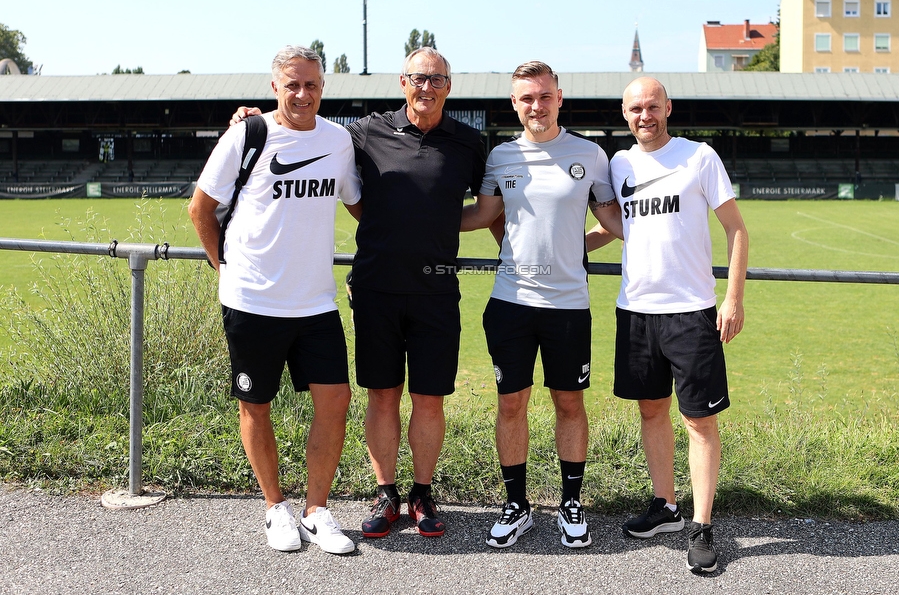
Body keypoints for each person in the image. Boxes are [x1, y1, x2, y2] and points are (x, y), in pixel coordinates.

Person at [232, 46, 486, 538]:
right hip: (376, 289)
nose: (426, 88)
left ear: (449, 87)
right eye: (418, 78)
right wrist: (249, 116)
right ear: (402, 82)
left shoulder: (469, 143)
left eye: (436, 80)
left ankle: (422, 491)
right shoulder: (365, 134)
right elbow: (304, 133)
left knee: (429, 399)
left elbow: (491, 204)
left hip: (437, 289)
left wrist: (437, 227)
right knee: (382, 395)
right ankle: (386, 492)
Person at [188, 45, 362, 555]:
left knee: (336, 401)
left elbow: (357, 204)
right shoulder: (246, 134)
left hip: (315, 304)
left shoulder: (339, 141)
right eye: (292, 85)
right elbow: (201, 208)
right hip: (252, 301)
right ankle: (274, 509)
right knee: (255, 405)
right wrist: (224, 267)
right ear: (274, 88)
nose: (302, 94)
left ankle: (317, 510)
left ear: (323, 87)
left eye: (311, 84)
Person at [586, 77, 749, 573]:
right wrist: (568, 249)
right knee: (651, 412)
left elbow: (736, 228)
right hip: (635, 310)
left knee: (699, 420)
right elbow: (623, 226)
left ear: (668, 108)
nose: (644, 116)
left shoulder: (699, 157)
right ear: (624, 113)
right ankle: (666, 507)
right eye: (635, 108)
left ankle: (701, 526)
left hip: (691, 311)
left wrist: (733, 299)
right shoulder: (619, 164)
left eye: (652, 106)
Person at [461, 61, 623, 549]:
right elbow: (484, 216)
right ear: (515, 103)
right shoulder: (501, 158)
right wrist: (417, 212)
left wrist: (664, 238)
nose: (537, 105)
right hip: (510, 303)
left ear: (559, 97)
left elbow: (611, 219)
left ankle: (571, 503)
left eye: (544, 96)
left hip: (569, 307)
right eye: (526, 98)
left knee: (568, 402)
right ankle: (516, 504)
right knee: (512, 403)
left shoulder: (591, 155)